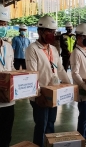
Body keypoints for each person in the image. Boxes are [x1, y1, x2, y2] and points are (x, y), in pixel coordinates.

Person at [25, 15, 71, 147]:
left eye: (54, 32)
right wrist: (37, 95)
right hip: (40, 95)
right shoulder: (32, 49)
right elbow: (31, 74)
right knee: (41, 125)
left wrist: (69, 85)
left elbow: (61, 69)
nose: (52, 34)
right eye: (49, 31)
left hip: (53, 93)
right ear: (40, 32)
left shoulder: (54, 49)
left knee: (51, 123)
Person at [0, 4, 16, 147]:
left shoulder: (8, 46)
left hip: (9, 101)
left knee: (6, 135)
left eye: (4, 24)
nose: (3, 27)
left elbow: (11, 69)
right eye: (0, 23)